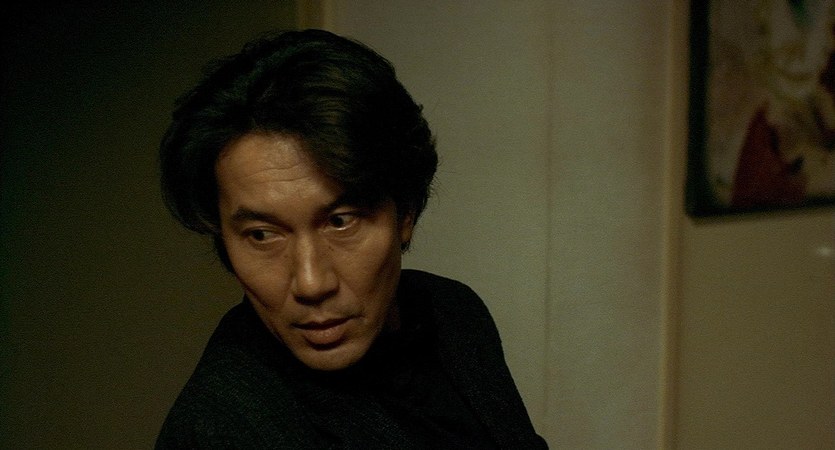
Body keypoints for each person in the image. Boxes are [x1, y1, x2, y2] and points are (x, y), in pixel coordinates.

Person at [156, 28, 547, 449]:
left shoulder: (452, 312)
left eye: (341, 221)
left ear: (405, 213)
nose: (311, 283)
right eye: (262, 234)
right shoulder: (222, 430)